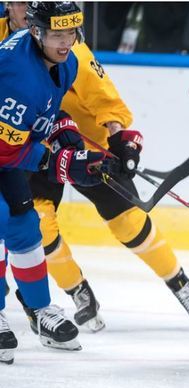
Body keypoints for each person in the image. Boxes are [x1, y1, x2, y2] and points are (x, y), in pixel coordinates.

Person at [1, 2, 189, 332]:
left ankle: (178, 280)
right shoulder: (12, 52)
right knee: (37, 226)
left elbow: (105, 100)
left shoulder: (72, 53)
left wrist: (118, 138)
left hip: (81, 143)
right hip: (27, 147)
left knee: (128, 222)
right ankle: (78, 291)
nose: (28, 8)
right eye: (23, 2)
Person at [0, 1, 110, 363]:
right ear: (37, 33)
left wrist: (65, 133)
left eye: (71, 33)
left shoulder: (66, 63)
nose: (66, 42)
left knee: (24, 226)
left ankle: (41, 310)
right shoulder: (16, 73)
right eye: (57, 34)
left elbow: (47, 109)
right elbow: (6, 150)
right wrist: (57, 162)